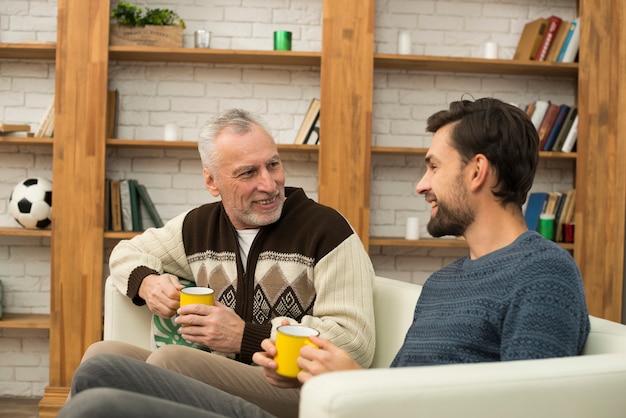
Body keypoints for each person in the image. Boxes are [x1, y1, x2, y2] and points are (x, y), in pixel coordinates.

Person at [58, 98, 590, 418]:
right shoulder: (447, 283)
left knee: (102, 403)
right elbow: (399, 391)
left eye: (432, 166)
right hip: (330, 404)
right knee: (98, 368)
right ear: (213, 181)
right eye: (247, 173)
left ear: (475, 173)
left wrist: (344, 377)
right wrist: (344, 380)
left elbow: (530, 404)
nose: (420, 183)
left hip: (324, 407)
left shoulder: (543, 275)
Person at [78, 108, 376, 418]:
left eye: (273, 164)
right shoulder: (199, 227)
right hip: (220, 375)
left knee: (171, 362)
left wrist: (245, 336)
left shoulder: (327, 230)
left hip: (297, 388)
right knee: (101, 358)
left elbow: (354, 341)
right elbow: (127, 253)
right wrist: (149, 283)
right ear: (212, 180)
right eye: (248, 173)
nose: (269, 184)